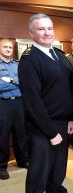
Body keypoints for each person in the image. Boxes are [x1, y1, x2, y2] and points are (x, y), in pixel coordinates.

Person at [18, 13, 73, 193]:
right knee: (38, 176)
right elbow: (32, 101)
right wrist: (51, 132)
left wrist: (71, 119)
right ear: (31, 33)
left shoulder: (58, 55)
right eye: (41, 29)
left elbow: (67, 89)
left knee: (58, 173)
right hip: (42, 128)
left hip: (62, 125)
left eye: (49, 28)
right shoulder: (29, 59)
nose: (46, 32)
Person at [0, 38, 29, 180]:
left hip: (19, 103)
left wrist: (9, 81)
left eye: (10, 47)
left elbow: (25, 83)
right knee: (2, 136)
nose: (8, 49)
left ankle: (23, 161)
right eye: (5, 47)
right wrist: (15, 83)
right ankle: (2, 167)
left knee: (21, 134)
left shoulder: (18, 64)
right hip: (3, 104)